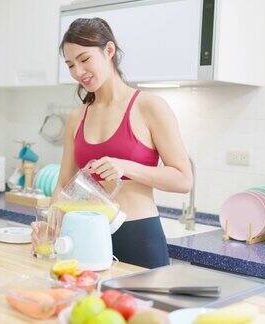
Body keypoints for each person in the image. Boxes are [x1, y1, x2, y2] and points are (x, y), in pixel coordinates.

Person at [32, 18, 193, 269]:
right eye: (71, 65)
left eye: (84, 60)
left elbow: (183, 179)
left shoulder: (149, 107)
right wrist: (52, 227)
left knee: (142, 309)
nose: (78, 72)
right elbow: (65, 182)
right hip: (83, 236)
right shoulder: (77, 116)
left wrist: (125, 167)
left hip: (138, 235)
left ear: (109, 51)